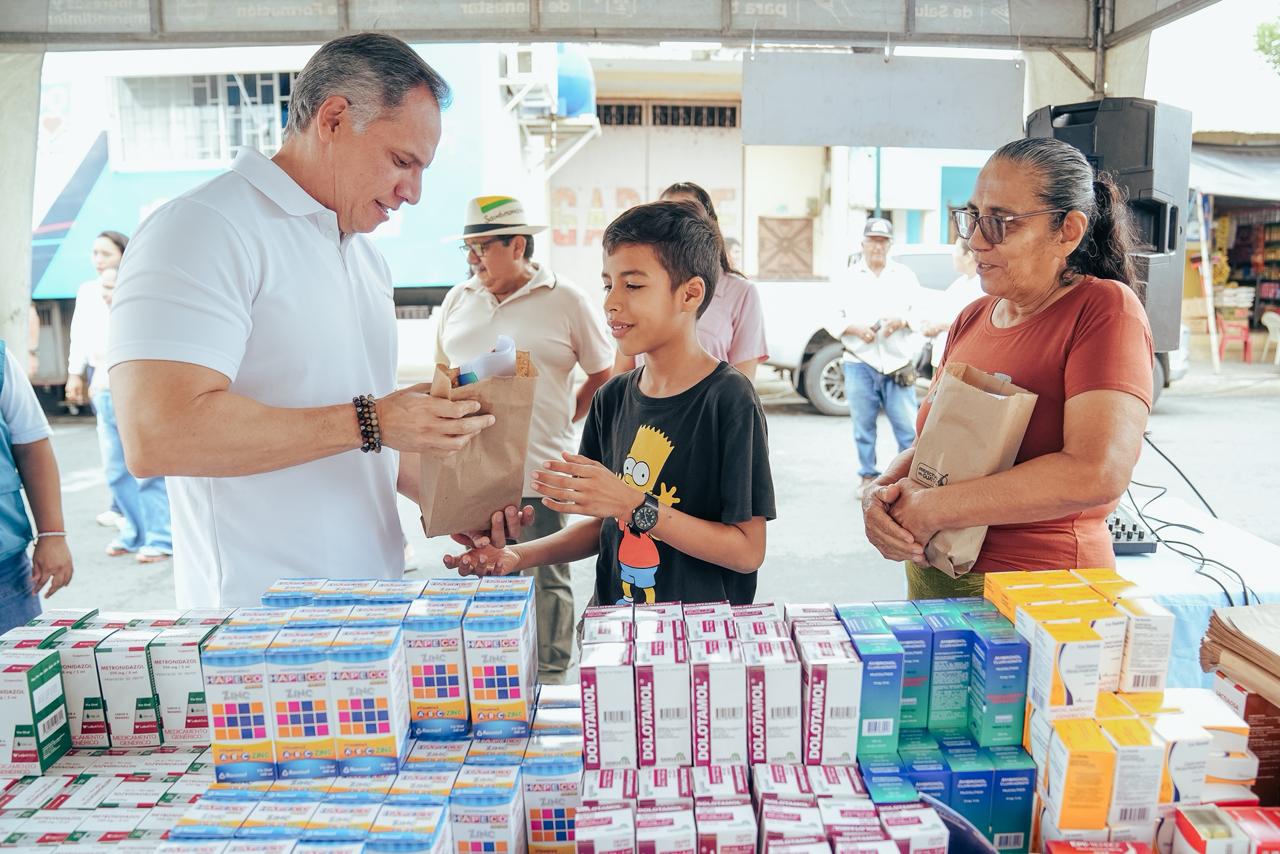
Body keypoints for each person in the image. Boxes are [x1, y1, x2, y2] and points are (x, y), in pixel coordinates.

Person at [107, 33, 524, 608]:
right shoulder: (203, 228)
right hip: (257, 624)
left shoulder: (364, 257)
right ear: (332, 119)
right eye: (402, 161)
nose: (414, 192)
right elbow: (160, 432)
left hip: (369, 609)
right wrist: (374, 420)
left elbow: (367, 437)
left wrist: (451, 500)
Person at [444, 200, 776, 608]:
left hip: (698, 644)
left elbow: (746, 552)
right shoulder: (612, 398)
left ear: (690, 294)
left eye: (632, 285)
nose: (610, 302)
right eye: (607, 284)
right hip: (617, 628)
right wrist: (518, 555)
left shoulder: (730, 398)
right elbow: (606, 526)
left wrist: (633, 502)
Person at [861, 137, 1154, 599]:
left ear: (1068, 231)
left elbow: (1097, 472)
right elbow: (934, 444)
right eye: (973, 217)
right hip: (938, 574)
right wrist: (884, 491)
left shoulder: (1103, 309)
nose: (975, 239)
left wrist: (934, 508)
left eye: (1001, 222)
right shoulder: (972, 317)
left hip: (1045, 593)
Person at [435, 194, 614, 684]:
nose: (472, 260)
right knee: (484, 571)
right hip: (471, 469)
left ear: (517, 245)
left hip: (542, 465)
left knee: (545, 575)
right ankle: (495, 675)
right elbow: (444, 376)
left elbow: (603, 375)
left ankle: (551, 676)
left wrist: (564, 422)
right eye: (467, 250)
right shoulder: (459, 299)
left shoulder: (567, 299)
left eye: (481, 248)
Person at [67, 233, 173, 563]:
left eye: (105, 252)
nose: (98, 258)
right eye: (94, 252)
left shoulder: (144, 287)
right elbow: (79, 335)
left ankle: (161, 537)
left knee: (147, 469)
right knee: (115, 471)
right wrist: (75, 373)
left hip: (137, 392)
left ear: (123, 254)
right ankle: (134, 532)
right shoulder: (87, 292)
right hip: (104, 387)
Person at [614, 182, 768, 381]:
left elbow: (743, 384)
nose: (673, 228)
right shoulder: (638, 288)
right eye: (664, 218)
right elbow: (621, 373)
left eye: (685, 218)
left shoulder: (740, 292)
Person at [828, 218, 924, 497]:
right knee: (863, 425)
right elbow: (831, 316)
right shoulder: (848, 277)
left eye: (882, 242)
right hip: (860, 360)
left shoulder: (904, 276)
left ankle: (907, 478)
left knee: (907, 427)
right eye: (872, 241)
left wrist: (901, 321)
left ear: (890, 245)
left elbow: (918, 313)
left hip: (896, 362)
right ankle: (867, 475)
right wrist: (855, 329)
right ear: (863, 244)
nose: (877, 247)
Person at [0, 339, 75, 633]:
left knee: (18, 677)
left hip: (4, 572)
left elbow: (32, 445)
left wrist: (53, 535)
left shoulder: (2, 359)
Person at [921, 237, 985, 374]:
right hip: (942, 360)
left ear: (968, 256)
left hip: (959, 363)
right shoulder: (959, 283)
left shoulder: (980, 287)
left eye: (956, 249)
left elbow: (973, 325)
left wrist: (938, 325)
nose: (953, 254)